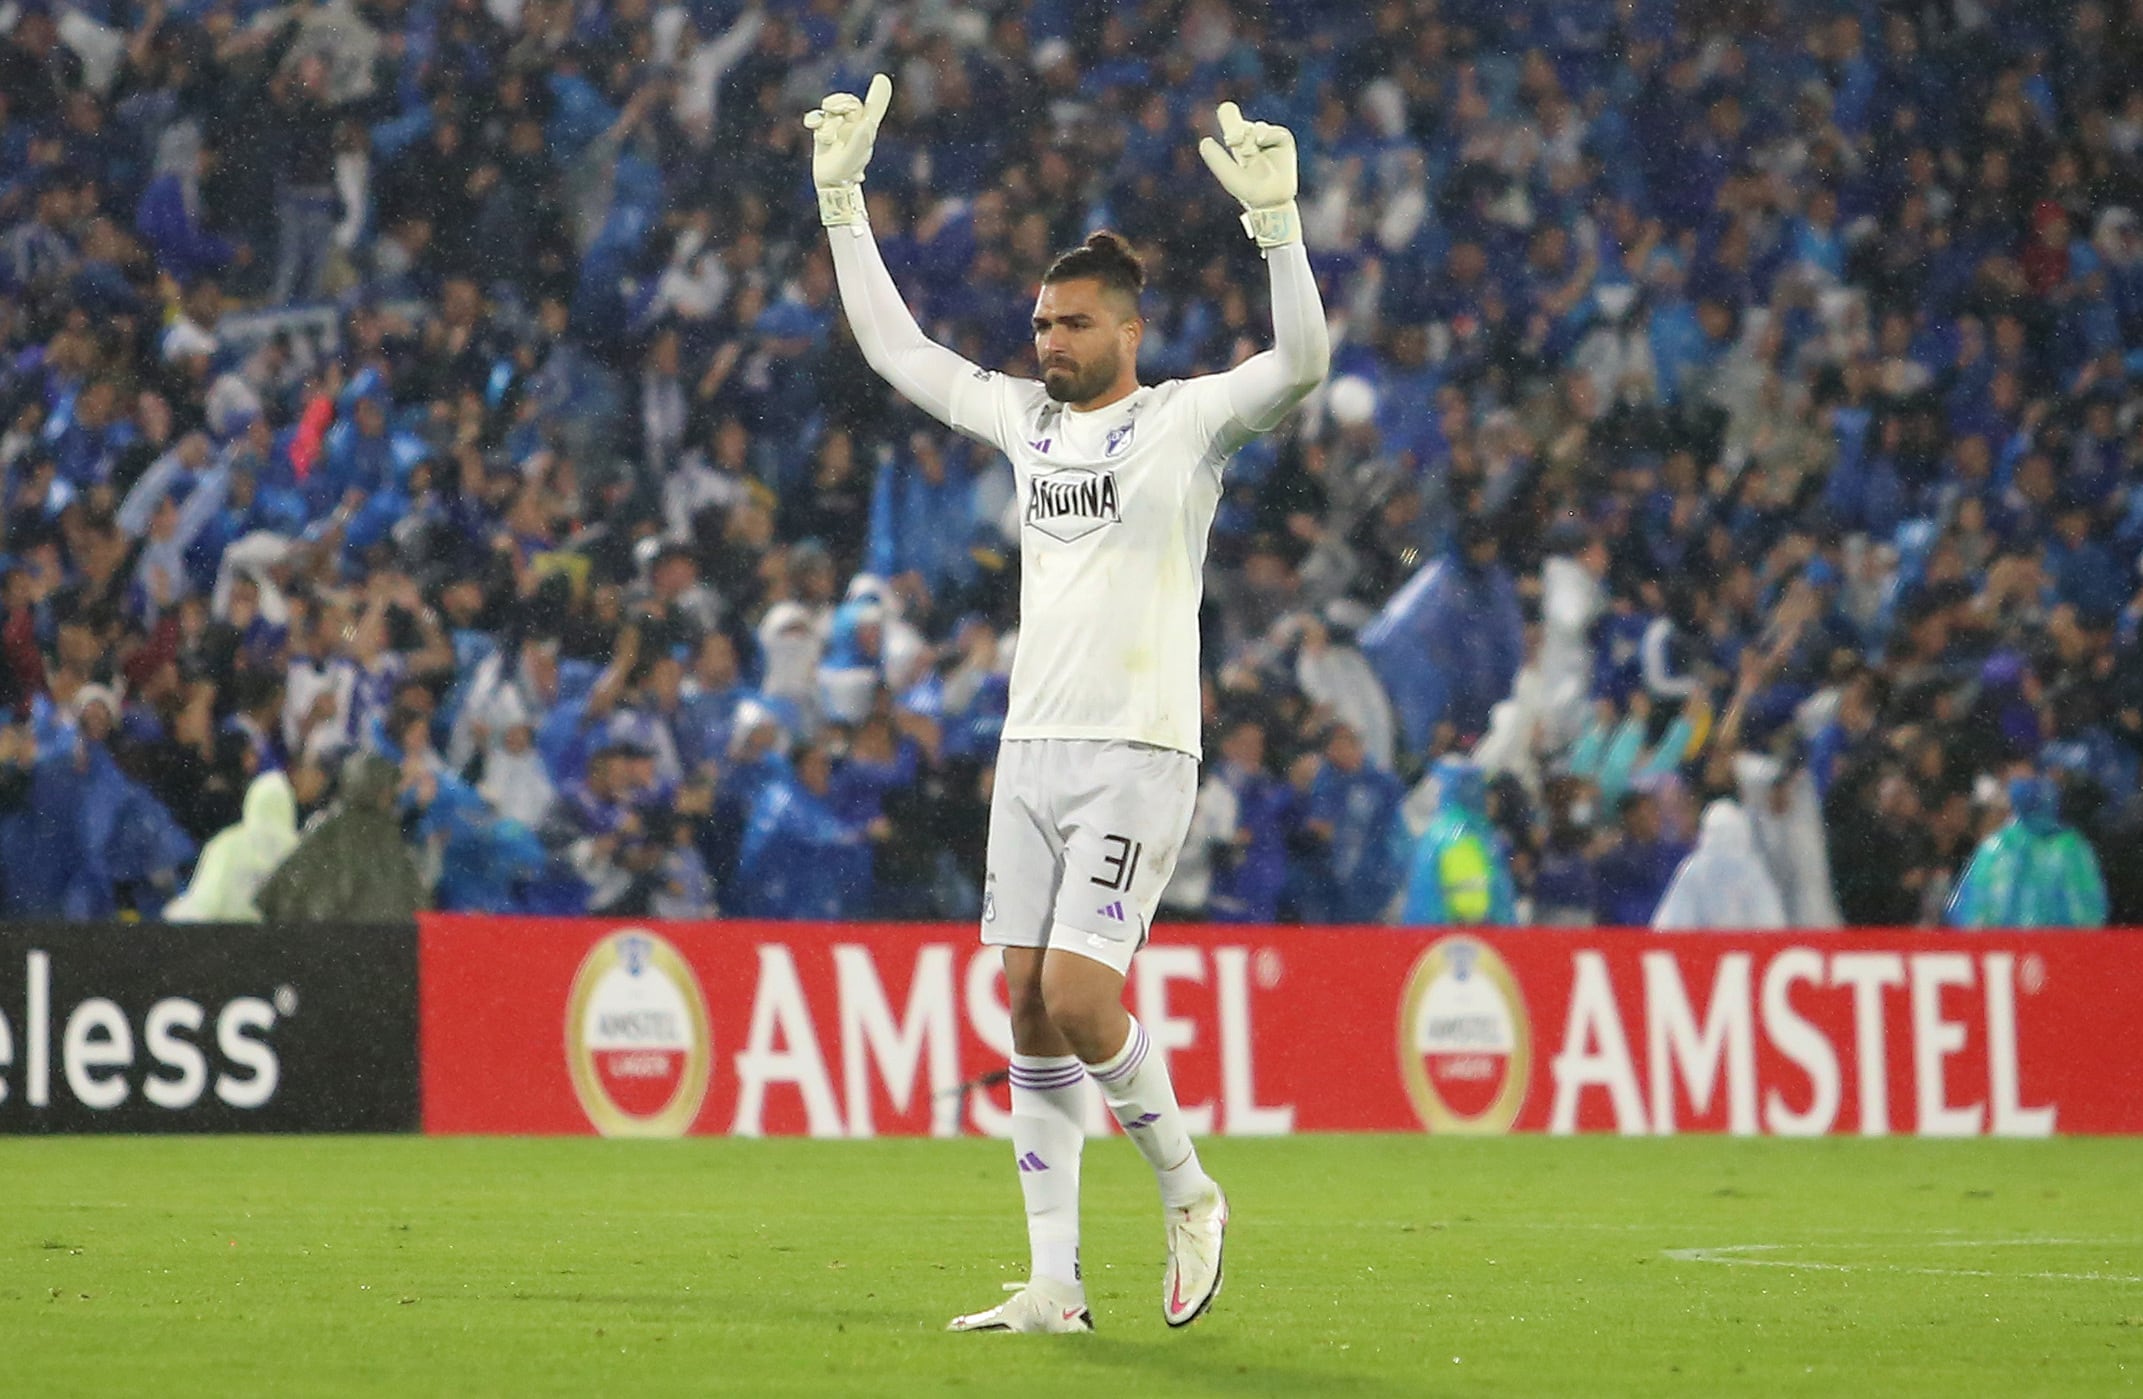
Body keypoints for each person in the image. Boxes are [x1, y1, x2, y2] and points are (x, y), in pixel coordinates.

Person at [805, 77, 1328, 1332]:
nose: (1048, 342)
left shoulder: (1184, 425)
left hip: (1138, 752)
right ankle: (1052, 1285)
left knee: (1088, 999)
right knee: (1028, 1004)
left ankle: (1192, 1193)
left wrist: (1280, 231)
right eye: (1041, 322)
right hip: (1029, 753)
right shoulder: (1024, 425)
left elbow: (1302, 365)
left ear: (1127, 334)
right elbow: (897, 350)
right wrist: (838, 206)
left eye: (1073, 324)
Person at [1946, 775, 2110, 929]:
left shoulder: (1996, 847)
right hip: (2060, 952)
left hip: (2003, 952)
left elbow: (1967, 911)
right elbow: (2090, 912)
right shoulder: (2071, 847)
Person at [163, 771, 301, 923]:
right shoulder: (297, 848)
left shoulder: (228, 842)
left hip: (229, 935)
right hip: (284, 939)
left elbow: (206, 900)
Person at [1398, 758, 1517, 926]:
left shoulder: (1437, 834)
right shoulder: (1477, 835)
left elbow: (1422, 896)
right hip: (1474, 933)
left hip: (1444, 937)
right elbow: (1499, 894)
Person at [1650, 800, 1789, 931]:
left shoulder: (1693, 868)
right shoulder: (1751, 869)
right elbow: (1772, 923)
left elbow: (1669, 924)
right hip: (1743, 950)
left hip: (1703, 950)